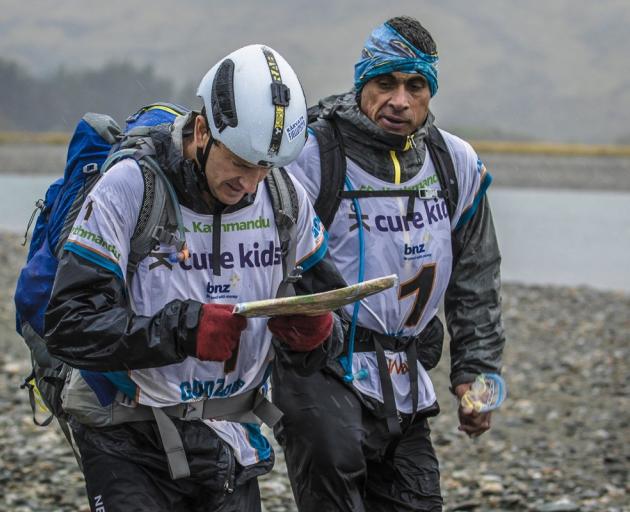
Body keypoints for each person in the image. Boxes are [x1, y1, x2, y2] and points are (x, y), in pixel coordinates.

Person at [44, 44, 345, 512]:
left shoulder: (286, 199)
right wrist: (183, 329)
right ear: (203, 129)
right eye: (241, 162)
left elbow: (331, 328)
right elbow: (69, 326)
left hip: (231, 441)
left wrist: (315, 336)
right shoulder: (130, 187)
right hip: (126, 436)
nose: (250, 183)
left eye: (266, 166)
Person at [272, 16, 506, 511]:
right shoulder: (311, 156)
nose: (399, 100)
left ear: (429, 92)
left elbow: (476, 279)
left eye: (415, 85)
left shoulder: (456, 163)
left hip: (406, 374)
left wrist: (477, 372)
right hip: (322, 370)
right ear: (364, 83)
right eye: (385, 83)